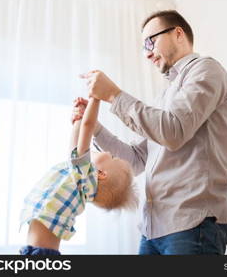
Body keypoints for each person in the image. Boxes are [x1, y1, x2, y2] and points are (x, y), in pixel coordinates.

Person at [79, 10, 227, 255]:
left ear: (177, 34)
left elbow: (173, 131)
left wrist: (113, 95)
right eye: (144, 47)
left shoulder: (206, 70)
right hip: (153, 229)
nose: (147, 53)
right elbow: (136, 160)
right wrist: (92, 127)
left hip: (192, 224)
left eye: (150, 41)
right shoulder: (164, 96)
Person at [19, 97, 138, 255]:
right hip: (38, 250)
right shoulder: (78, 177)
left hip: (40, 253)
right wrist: (78, 118)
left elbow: (88, 126)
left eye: (113, 158)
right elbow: (74, 145)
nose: (110, 153)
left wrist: (95, 98)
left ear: (101, 174)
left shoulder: (84, 177)